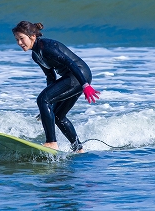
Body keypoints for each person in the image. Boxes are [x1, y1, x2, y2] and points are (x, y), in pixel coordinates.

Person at [12, 21, 100, 153]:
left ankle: (51, 142)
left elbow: (70, 63)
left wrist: (85, 85)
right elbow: (50, 77)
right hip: (73, 78)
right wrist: (48, 104)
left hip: (77, 75)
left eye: (21, 38)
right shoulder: (36, 55)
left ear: (32, 36)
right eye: (17, 40)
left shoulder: (47, 47)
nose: (19, 43)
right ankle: (78, 148)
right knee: (58, 116)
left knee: (42, 99)